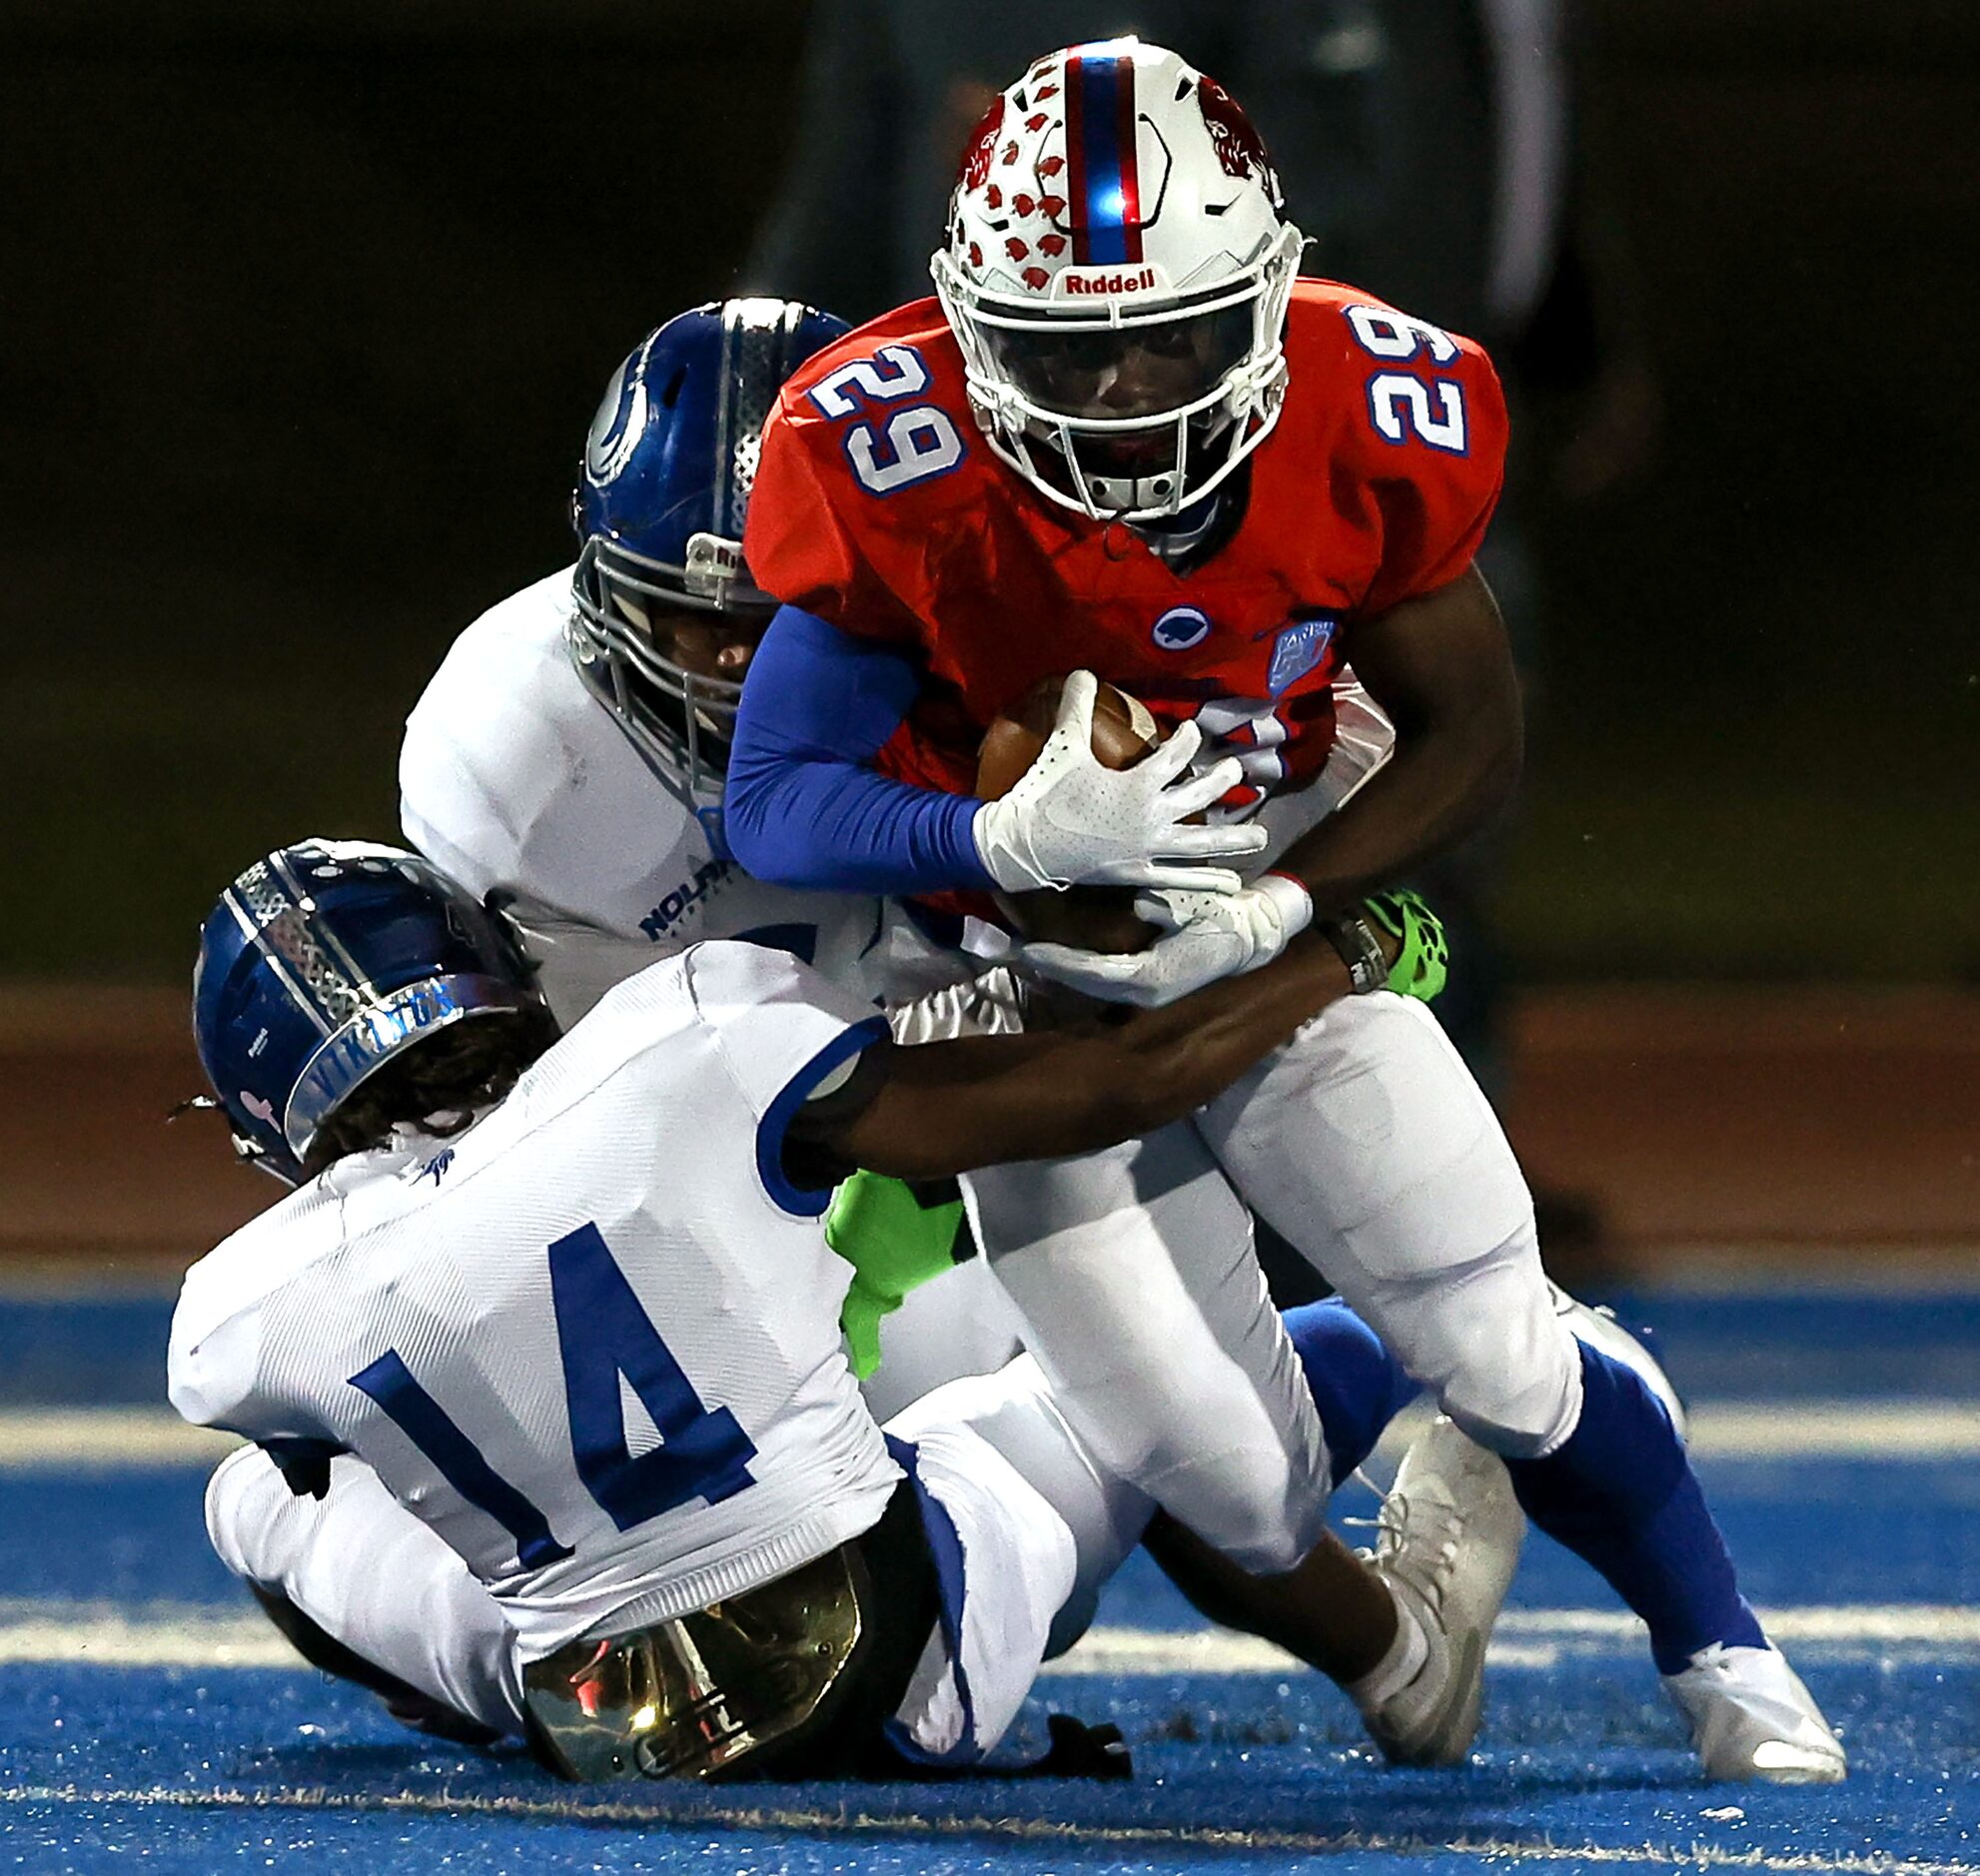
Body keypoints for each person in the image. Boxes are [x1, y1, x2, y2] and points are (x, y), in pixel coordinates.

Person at [719, 39, 1843, 1783]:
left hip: (1271, 948)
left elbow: (1473, 727)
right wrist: (998, 836)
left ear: (1269, 288)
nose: (1122, 398)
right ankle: (1407, 1601)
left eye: (1165, 336)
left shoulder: (1365, 404)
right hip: (1027, 1005)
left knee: (1500, 1344)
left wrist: (1292, 905)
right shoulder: (890, 447)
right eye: (1066, 352)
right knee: (1229, 1487)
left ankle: (1721, 1645)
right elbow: (774, 797)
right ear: (961, 327)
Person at [170, 837, 1523, 1778]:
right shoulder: (681, 1030)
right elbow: (1107, 1091)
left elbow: (349, 1390)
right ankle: (1401, 1628)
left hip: (601, 1718)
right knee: (1137, 1381)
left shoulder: (238, 1306)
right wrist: (1331, 956)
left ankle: (507, 1696)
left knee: (257, 1501)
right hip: (884, 1644)